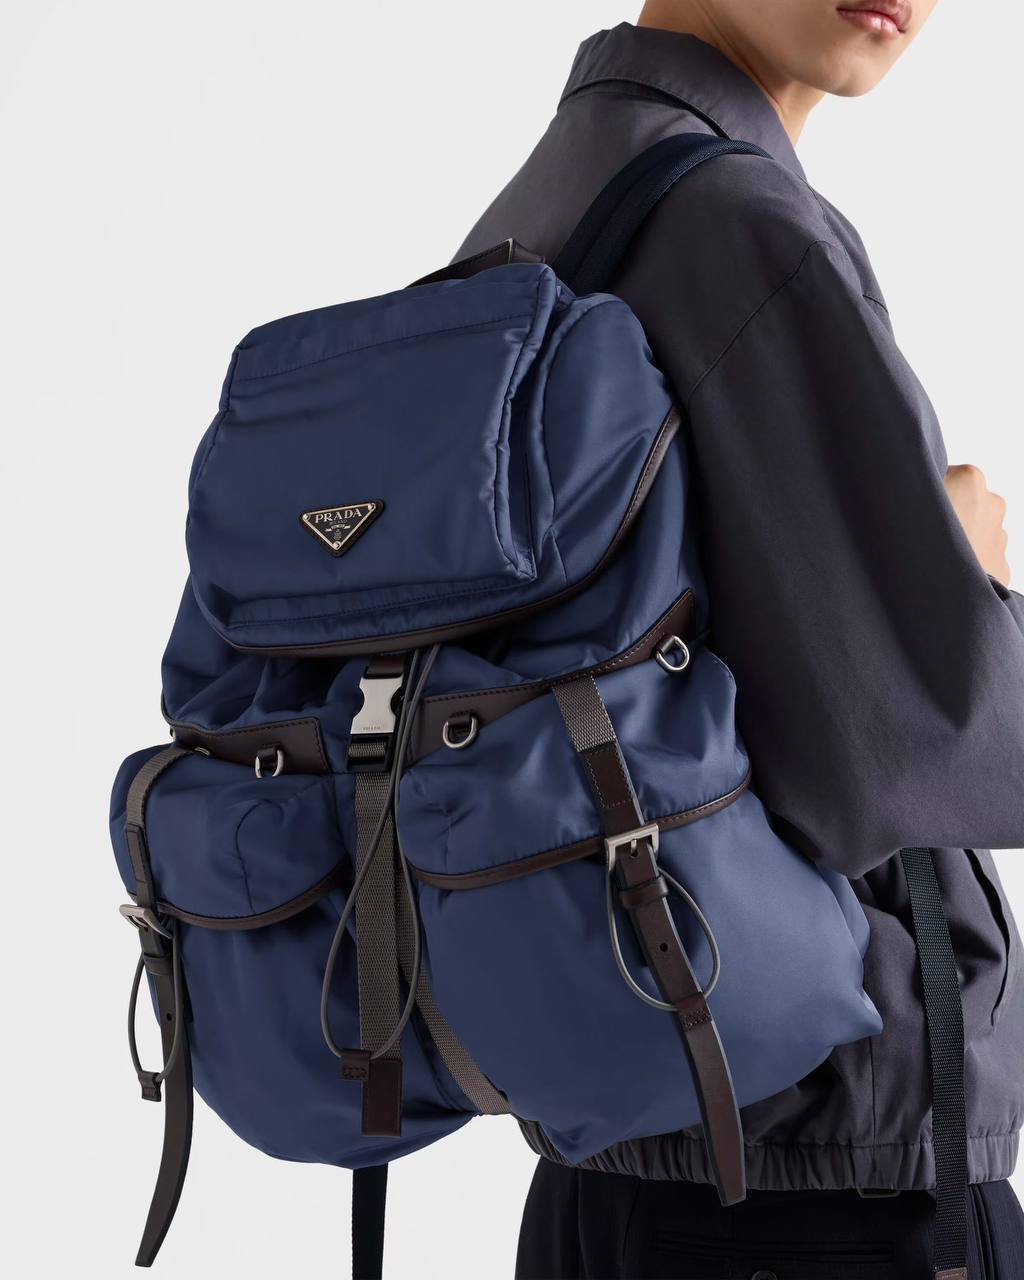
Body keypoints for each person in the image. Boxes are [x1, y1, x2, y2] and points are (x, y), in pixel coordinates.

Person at [457, 3, 1024, 1276]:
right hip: (823, 1193)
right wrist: (976, 585)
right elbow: (920, 744)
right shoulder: (741, 221)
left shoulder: (555, 192)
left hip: (612, 1179)